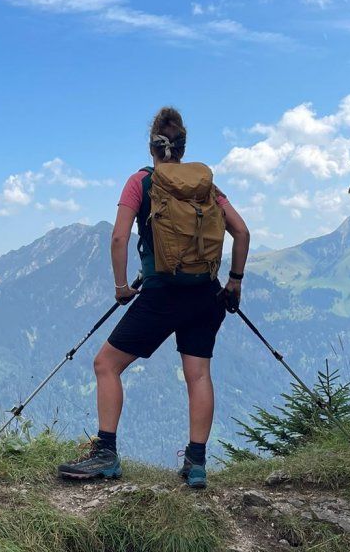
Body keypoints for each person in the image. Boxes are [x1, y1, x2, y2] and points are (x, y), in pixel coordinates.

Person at [58, 107, 250, 488]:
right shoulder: (207, 188)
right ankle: (196, 464)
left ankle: (106, 454)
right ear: (182, 148)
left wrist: (121, 287)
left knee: (106, 365)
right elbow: (241, 233)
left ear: (152, 148)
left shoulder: (140, 182)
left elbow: (118, 237)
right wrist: (234, 282)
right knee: (198, 375)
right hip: (206, 294)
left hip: (161, 293)